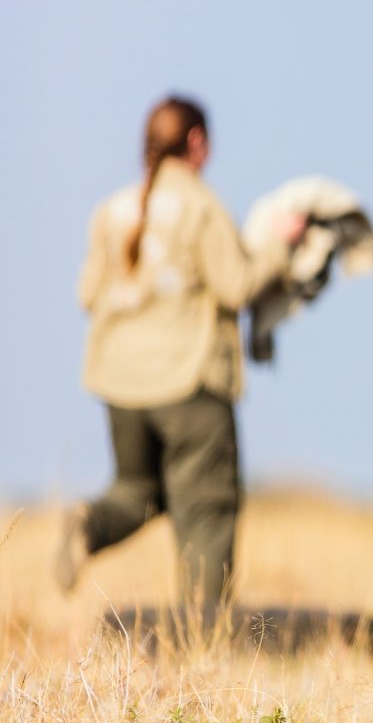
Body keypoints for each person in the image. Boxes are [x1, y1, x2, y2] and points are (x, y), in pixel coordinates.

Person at [59, 96, 290, 613]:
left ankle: (89, 525)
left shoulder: (113, 208)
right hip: (188, 382)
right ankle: (202, 639)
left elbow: (87, 293)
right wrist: (279, 248)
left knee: (137, 488)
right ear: (196, 143)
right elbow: (236, 288)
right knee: (207, 510)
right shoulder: (201, 205)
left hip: (119, 383)